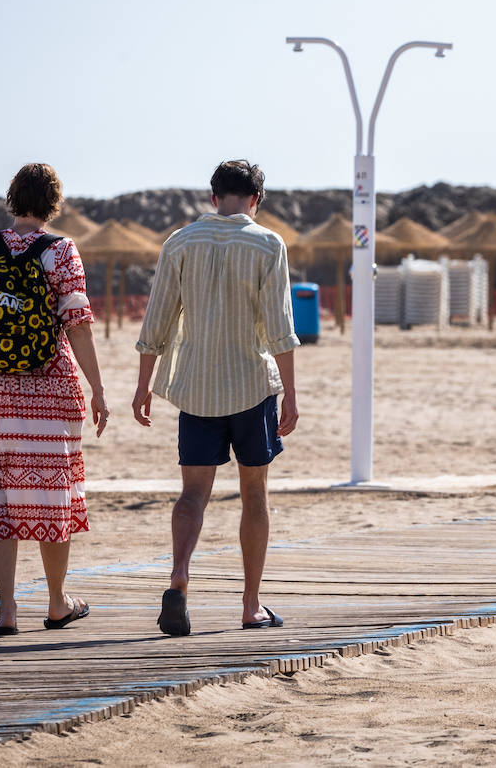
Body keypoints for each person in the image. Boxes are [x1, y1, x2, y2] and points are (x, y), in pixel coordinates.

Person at [132, 160, 299, 636]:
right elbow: (280, 329)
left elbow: (157, 322)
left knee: (192, 495)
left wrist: (144, 385)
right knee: (255, 496)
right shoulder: (268, 243)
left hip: (196, 389)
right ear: (256, 200)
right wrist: (290, 394)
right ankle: (250, 604)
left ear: (212, 198)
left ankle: (180, 577)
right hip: (251, 386)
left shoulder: (180, 242)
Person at [0, 163, 108, 636]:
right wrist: (97, 387)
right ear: (53, 203)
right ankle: (57, 602)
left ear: (12, 198)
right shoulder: (61, 251)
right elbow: (76, 321)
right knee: (49, 489)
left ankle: (6, 609)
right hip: (46, 387)